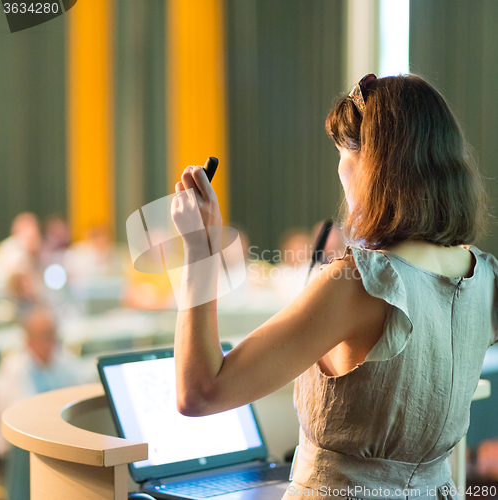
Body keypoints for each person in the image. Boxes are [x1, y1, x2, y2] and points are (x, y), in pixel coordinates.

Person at [169, 74, 497, 499]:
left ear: (373, 164)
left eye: (343, 153)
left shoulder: (362, 282)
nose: (340, 170)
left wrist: (200, 251)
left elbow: (200, 392)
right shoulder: (485, 277)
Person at [0, 307, 91, 500]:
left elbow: (82, 387)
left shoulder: (61, 360)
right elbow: (27, 415)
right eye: (45, 335)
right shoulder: (16, 367)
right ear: (29, 338)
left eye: (53, 334)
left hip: (55, 440)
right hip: (16, 451)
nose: (51, 341)